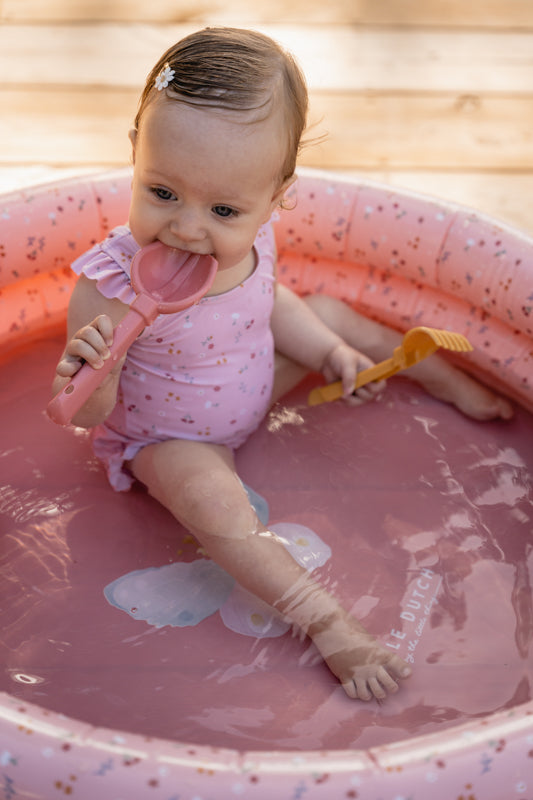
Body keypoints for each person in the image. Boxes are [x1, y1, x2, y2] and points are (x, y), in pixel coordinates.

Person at [52, 27, 513, 702]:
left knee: (325, 311)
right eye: (161, 192)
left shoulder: (254, 239)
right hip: (167, 436)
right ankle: (326, 621)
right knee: (211, 500)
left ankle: (428, 370)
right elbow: (83, 414)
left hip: (251, 379)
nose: (186, 227)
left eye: (224, 209)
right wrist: (94, 371)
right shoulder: (108, 286)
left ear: (276, 198)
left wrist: (326, 354)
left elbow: (270, 303)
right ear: (135, 154)